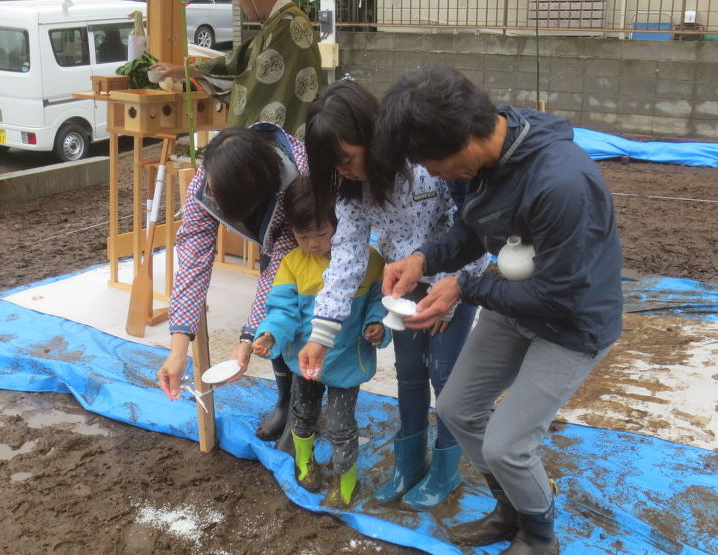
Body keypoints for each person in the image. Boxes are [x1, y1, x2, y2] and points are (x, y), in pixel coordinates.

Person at [376, 65, 623, 554]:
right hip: (514, 302)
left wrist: (464, 287)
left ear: (465, 138)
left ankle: (539, 537)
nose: (430, 173)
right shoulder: (477, 166)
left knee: (507, 445)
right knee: (456, 408)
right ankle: (511, 508)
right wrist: (424, 258)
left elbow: (560, 294)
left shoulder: (561, 182)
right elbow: (473, 229)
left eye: (429, 161)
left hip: (572, 322)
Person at [298, 80, 490, 510]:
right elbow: (345, 258)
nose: (343, 170)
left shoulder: (423, 163)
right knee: (408, 372)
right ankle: (410, 465)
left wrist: (455, 289)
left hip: (454, 280)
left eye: (346, 158)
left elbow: (472, 224)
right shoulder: (351, 191)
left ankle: (445, 470)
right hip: (403, 285)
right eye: (333, 165)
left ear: (370, 135)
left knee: (444, 374)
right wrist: (320, 335)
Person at [157, 122, 307, 443]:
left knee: (295, 314)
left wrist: (245, 341)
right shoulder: (211, 177)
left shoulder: (296, 178)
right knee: (271, 327)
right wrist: (177, 349)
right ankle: (284, 401)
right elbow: (193, 262)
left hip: (314, 238)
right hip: (274, 232)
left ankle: (303, 408)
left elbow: (278, 275)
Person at [252, 176, 390, 508]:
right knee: (303, 413)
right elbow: (282, 309)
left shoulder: (368, 261)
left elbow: (378, 298)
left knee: (342, 425)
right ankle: (304, 462)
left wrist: (376, 322)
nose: (313, 244)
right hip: (305, 360)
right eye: (303, 236)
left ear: (342, 223)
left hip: (345, 361)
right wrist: (270, 333)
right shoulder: (292, 264)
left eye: (322, 234)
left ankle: (346, 482)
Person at [154, 0, 325, 139]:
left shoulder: (288, 25)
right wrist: (185, 71)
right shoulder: (280, 22)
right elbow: (239, 61)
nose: (239, 5)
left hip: (294, 134)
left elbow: (254, 89)